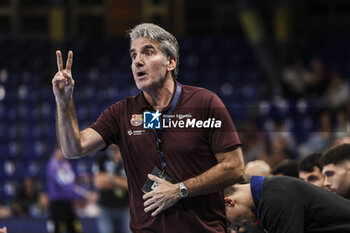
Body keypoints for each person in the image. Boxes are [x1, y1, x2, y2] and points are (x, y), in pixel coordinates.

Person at [52, 23, 245, 232]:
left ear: (170, 62)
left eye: (148, 52)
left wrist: (180, 190)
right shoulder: (122, 113)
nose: (137, 61)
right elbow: (73, 148)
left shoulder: (205, 103)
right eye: (133, 55)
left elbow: (235, 167)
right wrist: (64, 101)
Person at [224, 175, 350, 233]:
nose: (236, 228)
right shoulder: (269, 196)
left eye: (229, 223)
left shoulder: (275, 199)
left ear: (229, 202)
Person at [47, 146, 97, 233]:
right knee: (58, 229)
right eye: (61, 151)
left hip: (69, 204)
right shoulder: (53, 166)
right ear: (56, 151)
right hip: (58, 205)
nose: (63, 154)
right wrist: (86, 194)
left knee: (76, 228)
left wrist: (79, 179)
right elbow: (67, 186)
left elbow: (70, 181)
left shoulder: (66, 163)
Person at [93, 144, 130, 233]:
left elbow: (131, 185)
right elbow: (99, 183)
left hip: (126, 207)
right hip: (106, 207)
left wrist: (110, 178)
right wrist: (121, 181)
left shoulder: (128, 157)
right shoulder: (101, 158)